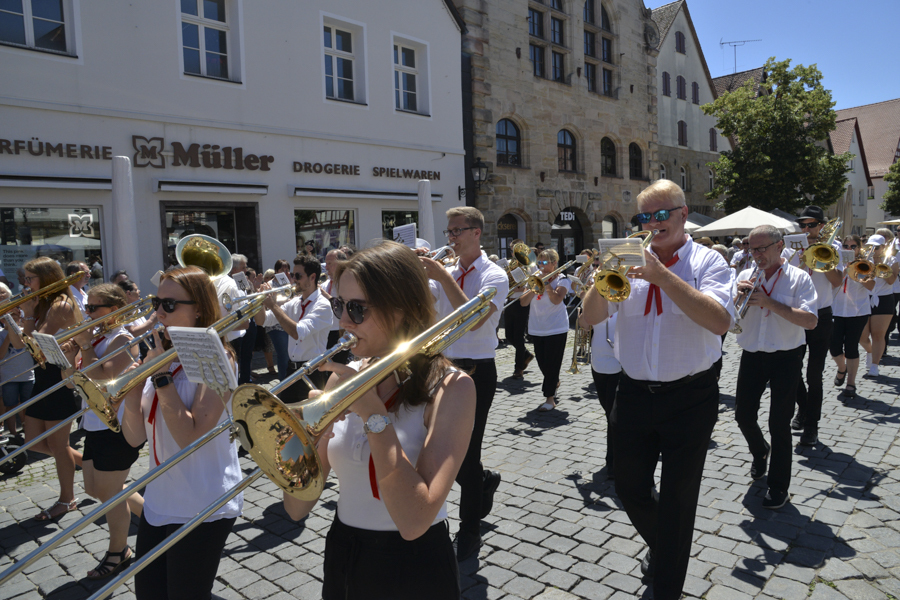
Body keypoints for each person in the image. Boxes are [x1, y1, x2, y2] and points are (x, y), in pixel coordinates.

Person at [283, 241, 475, 599]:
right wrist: (303, 437)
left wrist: (373, 414)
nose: (342, 321)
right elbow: (296, 508)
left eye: (357, 309)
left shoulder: (452, 388)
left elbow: (415, 520)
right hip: (345, 550)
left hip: (414, 564)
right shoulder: (344, 377)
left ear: (400, 310)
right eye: (340, 305)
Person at [581, 179, 733, 600]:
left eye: (660, 214)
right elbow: (589, 319)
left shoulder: (709, 263)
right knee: (628, 486)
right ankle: (665, 548)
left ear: (683, 214)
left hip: (691, 396)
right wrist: (603, 275)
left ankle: (667, 587)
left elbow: (720, 321)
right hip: (632, 392)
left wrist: (660, 275)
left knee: (678, 502)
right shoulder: (628, 257)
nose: (651, 223)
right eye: (644, 216)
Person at [120, 266, 242, 600]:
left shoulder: (219, 357)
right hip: (160, 499)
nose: (159, 312)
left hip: (204, 502)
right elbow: (134, 438)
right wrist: (131, 397)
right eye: (157, 303)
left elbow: (191, 437)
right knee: (149, 593)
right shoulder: (160, 353)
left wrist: (160, 378)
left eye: (170, 305)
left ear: (199, 308)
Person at [419, 206, 509, 561]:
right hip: (439, 366)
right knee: (438, 448)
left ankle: (469, 528)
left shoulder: (495, 275)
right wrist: (416, 273)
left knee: (464, 454)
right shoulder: (449, 271)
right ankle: (482, 481)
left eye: (457, 231)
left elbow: (471, 320)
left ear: (476, 233)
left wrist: (442, 278)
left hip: (475, 370)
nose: (451, 238)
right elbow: (423, 309)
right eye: (449, 232)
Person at [60, 284, 144, 580]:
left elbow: (104, 378)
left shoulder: (122, 338)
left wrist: (84, 347)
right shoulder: (95, 339)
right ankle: (151, 516)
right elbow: (70, 382)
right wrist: (71, 356)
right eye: (88, 307)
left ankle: (118, 552)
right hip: (94, 424)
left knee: (109, 494)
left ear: (114, 310)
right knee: (95, 489)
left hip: (117, 426)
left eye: (94, 308)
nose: (87, 312)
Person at [733, 225, 817, 511]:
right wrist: (736, 300)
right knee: (742, 415)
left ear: (780, 246)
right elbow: (731, 317)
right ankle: (760, 451)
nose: (756, 255)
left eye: (761, 248)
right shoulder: (745, 275)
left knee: (779, 424)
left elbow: (810, 321)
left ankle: (779, 486)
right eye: (751, 249)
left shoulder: (799, 278)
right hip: (752, 353)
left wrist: (769, 302)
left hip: (786, 356)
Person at [10, 257, 83, 520]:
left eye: (30, 279)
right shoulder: (42, 304)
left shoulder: (60, 305)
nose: (25, 283)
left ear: (46, 278)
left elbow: (36, 344)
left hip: (58, 379)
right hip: (42, 377)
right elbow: (21, 345)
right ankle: (86, 463)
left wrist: (28, 314)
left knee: (58, 444)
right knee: (33, 441)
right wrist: (20, 316)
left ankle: (67, 499)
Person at [787, 206, 842, 446]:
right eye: (803, 225)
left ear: (821, 226)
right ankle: (804, 407)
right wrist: (798, 263)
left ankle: (812, 426)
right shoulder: (792, 247)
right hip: (797, 314)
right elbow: (785, 279)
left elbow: (838, 281)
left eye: (812, 225)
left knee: (814, 375)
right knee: (792, 369)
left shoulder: (834, 247)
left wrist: (822, 258)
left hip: (821, 314)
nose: (807, 229)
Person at [254, 253, 333, 402]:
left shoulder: (322, 305)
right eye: (292, 275)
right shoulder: (295, 302)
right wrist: (259, 300)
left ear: (312, 277)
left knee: (310, 421)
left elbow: (298, 332)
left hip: (313, 371)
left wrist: (273, 305)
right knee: (288, 418)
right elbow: (263, 321)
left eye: (298, 275)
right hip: (292, 370)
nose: (293, 279)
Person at [519, 249, 570, 411]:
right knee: (542, 363)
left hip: (557, 327)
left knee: (552, 364)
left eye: (545, 262)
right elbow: (523, 303)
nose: (541, 265)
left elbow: (556, 300)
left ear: (554, 263)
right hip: (537, 327)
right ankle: (553, 382)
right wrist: (534, 286)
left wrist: (546, 283)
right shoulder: (534, 279)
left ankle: (550, 399)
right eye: (539, 262)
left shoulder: (563, 279)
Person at [830, 235, 875, 398]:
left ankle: (851, 383)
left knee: (851, 347)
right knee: (834, 347)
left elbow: (871, 286)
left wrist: (857, 273)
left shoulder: (866, 264)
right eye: (846, 246)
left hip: (857, 312)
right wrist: (844, 270)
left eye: (853, 246)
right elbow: (834, 283)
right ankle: (842, 368)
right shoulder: (834, 262)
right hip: (836, 310)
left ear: (859, 248)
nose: (849, 249)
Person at [582, 310, 620, 478]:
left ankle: (614, 462)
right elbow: (584, 324)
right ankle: (613, 460)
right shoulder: (597, 301)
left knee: (615, 416)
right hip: (598, 364)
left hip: (620, 363)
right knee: (608, 414)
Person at [859, 232, 898, 377]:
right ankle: (870, 352)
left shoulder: (892, 260)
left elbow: (891, 281)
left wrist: (881, 268)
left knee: (878, 335)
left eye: (876, 247)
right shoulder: (864, 259)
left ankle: (875, 364)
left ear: (883, 247)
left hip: (884, 299)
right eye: (870, 246)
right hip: (864, 298)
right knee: (861, 336)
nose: (873, 249)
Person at [0, 283, 35, 436]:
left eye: (14, 316)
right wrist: (9, 334)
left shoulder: (25, 330)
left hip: (27, 374)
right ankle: (13, 434)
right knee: (10, 405)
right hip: (9, 376)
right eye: (8, 317)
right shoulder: (2, 333)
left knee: (27, 405)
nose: (12, 320)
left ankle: (28, 430)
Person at [504, 238, 534, 379]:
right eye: (512, 250)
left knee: (518, 336)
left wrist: (522, 287)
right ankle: (526, 355)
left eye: (516, 249)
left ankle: (519, 368)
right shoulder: (509, 265)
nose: (513, 253)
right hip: (509, 301)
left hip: (522, 302)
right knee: (509, 335)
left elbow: (533, 283)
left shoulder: (529, 265)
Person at [318, 249, 351, 364]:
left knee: (337, 367)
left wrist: (324, 295)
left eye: (330, 264)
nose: (326, 268)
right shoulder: (326, 283)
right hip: (325, 330)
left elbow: (344, 306)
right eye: (326, 263)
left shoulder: (348, 282)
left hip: (340, 331)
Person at [265, 259, 292, 381]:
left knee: (290, 353)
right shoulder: (270, 285)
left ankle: (290, 379)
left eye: (287, 270)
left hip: (288, 322)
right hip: (275, 324)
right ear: (276, 271)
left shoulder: (288, 284)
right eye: (282, 270)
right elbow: (268, 304)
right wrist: (285, 301)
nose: (286, 272)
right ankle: (283, 381)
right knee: (283, 354)